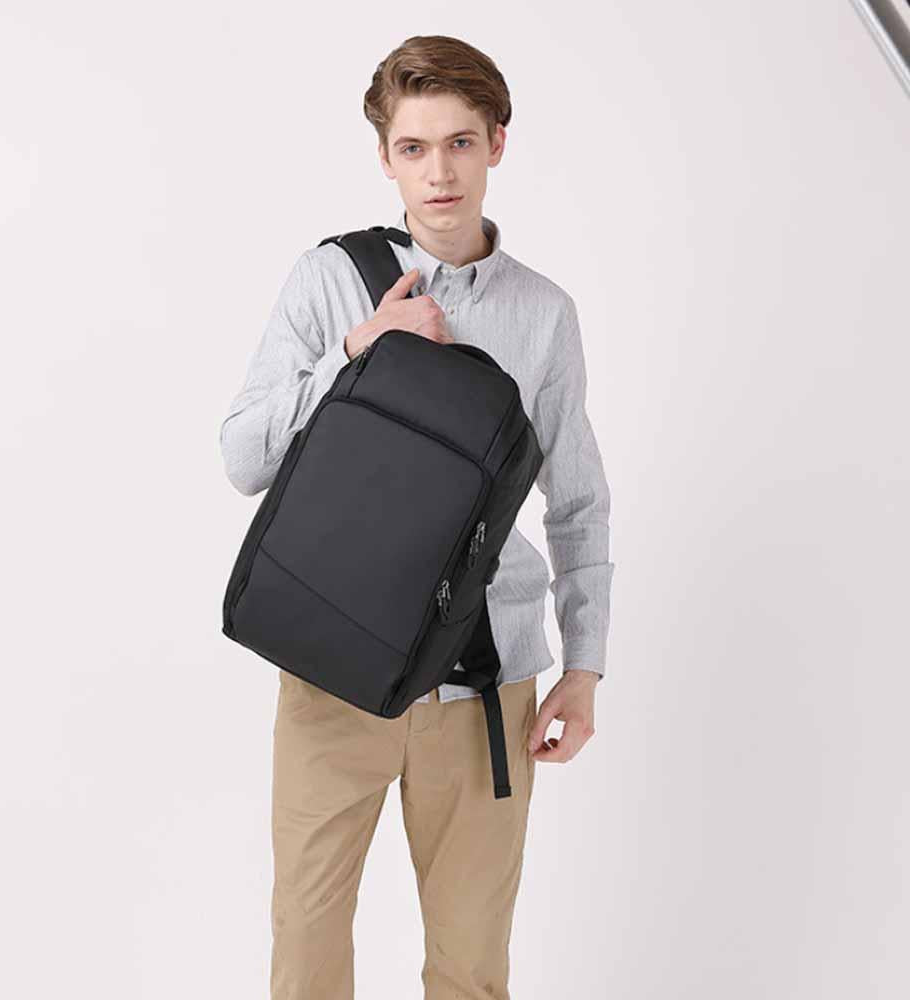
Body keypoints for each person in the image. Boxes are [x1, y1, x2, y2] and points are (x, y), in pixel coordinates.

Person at [219, 33, 615, 1000]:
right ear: (386, 156)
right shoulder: (331, 280)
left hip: (487, 686)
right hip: (333, 672)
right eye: (414, 148)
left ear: (497, 144)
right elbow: (243, 458)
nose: (439, 173)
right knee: (307, 956)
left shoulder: (543, 313)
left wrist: (584, 666)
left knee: (471, 969)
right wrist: (360, 348)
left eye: (460, 143)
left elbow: (577, 499)